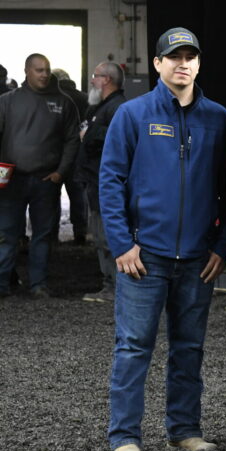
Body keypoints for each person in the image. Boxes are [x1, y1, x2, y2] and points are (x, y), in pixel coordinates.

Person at [101, 27, 226, 451]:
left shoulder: (219, 119)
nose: (183, 63)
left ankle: (184, 430)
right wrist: (122, 243)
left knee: (189, 348)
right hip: (144, 258)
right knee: (133, 347)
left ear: (199, 64)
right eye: (173, 56)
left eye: (190, 56)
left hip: (198, 258)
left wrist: (223, 244)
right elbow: (110, 181)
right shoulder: (132, 114)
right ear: (157, 64)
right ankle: (124, 437)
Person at [0, 53, 80, 298]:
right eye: (39, 70)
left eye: (46, 70)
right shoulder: (7, 102)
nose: (44, 74)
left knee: (43, 235)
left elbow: (72, 140)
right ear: (27, 71)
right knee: (6, 234)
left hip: (46, 181)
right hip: (12, 180)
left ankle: (38, 284)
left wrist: (60, 172)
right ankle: (2, 284)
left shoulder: (64, 103)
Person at [78, 62, 127, 302]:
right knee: (100, 237)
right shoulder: (103, 107)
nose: (92, 81)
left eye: (95, 76)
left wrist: (90, 135)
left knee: (107, 238)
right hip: (96, 183)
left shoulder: (118, 108)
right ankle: (110, 285)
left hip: (105, 185)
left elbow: (122, 137)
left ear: (106, 79)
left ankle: (115, 287)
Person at [53, 67, 90, 244]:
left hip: (54, 155)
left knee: (52, 194)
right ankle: (80, 231)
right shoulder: (85, 98)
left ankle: (52, 233)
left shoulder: (53, 99)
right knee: (77, 194)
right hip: (78, 154)